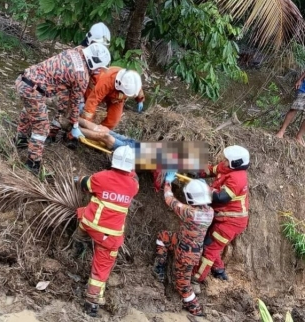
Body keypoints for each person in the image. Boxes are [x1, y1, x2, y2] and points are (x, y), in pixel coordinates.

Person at [14, 43, 111, 174]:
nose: (98, 71)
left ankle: (21, 139)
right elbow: (75, 103)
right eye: (99, 67)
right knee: (42, 127)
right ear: (94, 62)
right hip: (33, 90)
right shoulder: (82, 77)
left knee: (30, 110)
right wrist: (75, 125)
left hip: (24, 79)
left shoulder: (76, 51)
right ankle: (32, 163)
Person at [72, 145, 139, 317]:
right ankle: (92, 302)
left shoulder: (101, 177)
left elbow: (85, 183)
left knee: (84, 212)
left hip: (90, 224)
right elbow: (133, 180)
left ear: (112, 160)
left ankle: (79, 240)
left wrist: (78, 179)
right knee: (101, 268)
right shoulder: (133, 186)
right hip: (109, 237)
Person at [153, 172, 214, 316]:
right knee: (163, 236)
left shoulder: (188, 212)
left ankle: (195, 308)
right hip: (189, 248)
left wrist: (167, 183)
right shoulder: (210, 212)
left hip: (185, 254)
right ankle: (159, 266)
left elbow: (169, 199)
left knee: (182, 284)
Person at [192, 145, 250, 284]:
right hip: (223, 216)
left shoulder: (237, 178)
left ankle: (196, 279)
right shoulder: (228, 167)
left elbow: (221, 198)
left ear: (235, 163)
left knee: (209, 247)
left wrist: (203, 189)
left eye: (226, 159)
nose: (223, 161)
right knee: (212, 243)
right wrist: (196, 173)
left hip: (231, 223)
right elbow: (211, 170)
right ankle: (219, 271)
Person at [80, 66, 145, 130]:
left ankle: (101, 132)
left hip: (116, 97)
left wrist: (140, 100)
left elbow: (138, 90)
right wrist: (85, 123)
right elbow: (93, 100)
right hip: (97, 86)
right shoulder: (107, 80)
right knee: (88, 108)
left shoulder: (133, 79)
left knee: (114, 119)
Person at [276, 70, 305, 146]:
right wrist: (300, 80)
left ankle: (299, 137)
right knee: (294, 108)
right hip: (304, 88)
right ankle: (282, 131)